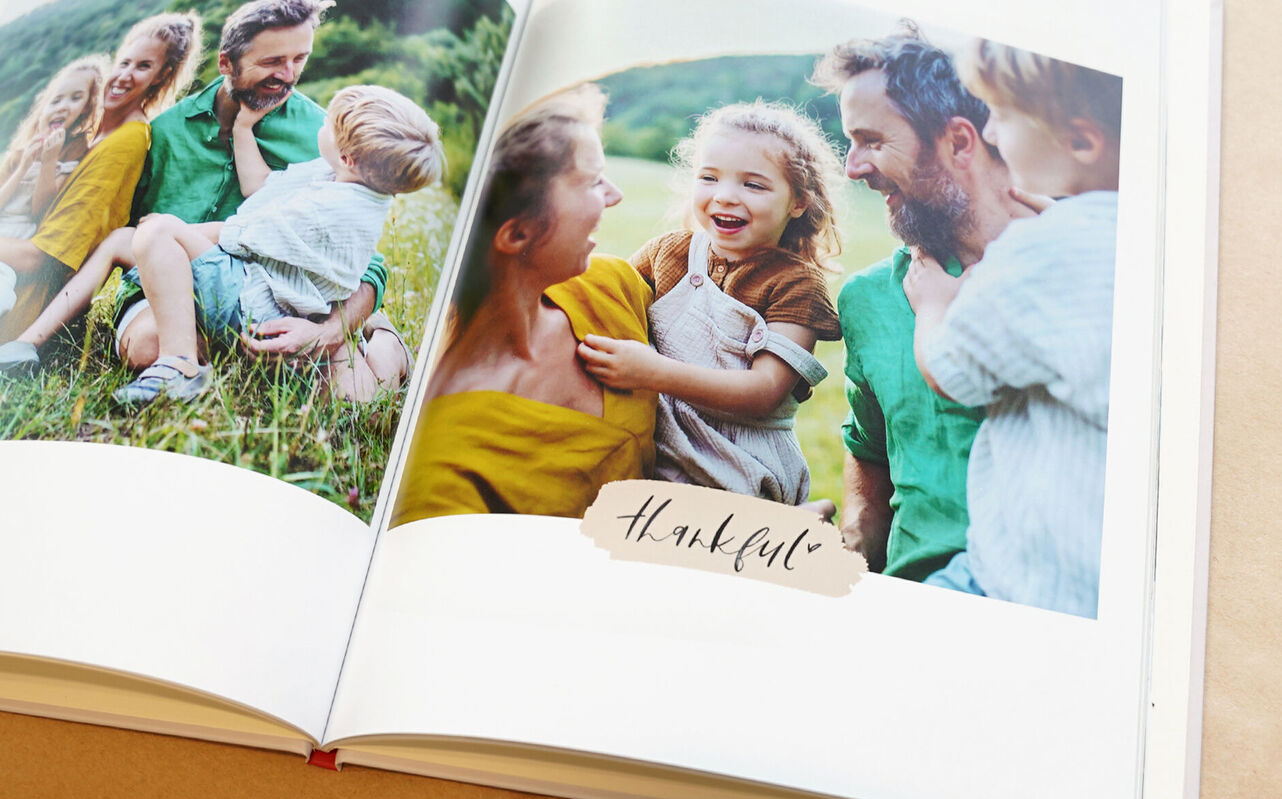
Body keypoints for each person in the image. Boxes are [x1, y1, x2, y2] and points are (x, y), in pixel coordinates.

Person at [0, 0, 406, 399]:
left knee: (352, 392)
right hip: (171, 281)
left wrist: (329, 330)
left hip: (273, 293)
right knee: (148, 345)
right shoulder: (162, 133)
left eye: (299, 59)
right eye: (273, 61)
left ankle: (377, 339)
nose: (288, 76)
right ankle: (188, 360)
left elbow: (366, 258)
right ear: (227, 63)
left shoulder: (324, 136)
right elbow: (100, 228)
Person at [901, 41, 1123, 617]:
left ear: (1080, 140)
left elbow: (951, 371)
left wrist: (934, 304)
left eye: (1000, 114)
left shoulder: (1040, 252)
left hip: (1021, 581)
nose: (993, 132)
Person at [810, 27, 1033, 581]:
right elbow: (871, 447)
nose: (852, 167)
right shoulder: (866, 299)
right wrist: (855, 542)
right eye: (849, 142)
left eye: (871, 140)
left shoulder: (1078, 269)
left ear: (959, 142)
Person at [392, 85, 657, 524]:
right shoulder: (442, 465)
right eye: (593, 181)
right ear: (516, 235)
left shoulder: (610, 287)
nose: (614, 195)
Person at [576, 101, 843, 507]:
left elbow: (764, 391)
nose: (726, 196)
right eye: (709, 177)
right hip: (659, 447)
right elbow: (610, 301)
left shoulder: (798, 285)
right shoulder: (668, 253)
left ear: (798, 202)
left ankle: (793, 527)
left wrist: (653, 372)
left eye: (753, 185)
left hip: (740, 467)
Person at [105, 85, 442, 405]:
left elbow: (241, 238)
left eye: (328, 124)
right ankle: (186, 360)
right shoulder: (342, 180)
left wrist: (179, 233)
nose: (320, 122)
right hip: (284, 304)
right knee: (146, 340)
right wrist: (244, 129)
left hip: (262, 304)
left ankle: (181, 367)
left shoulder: (331, 210)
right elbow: (264, 185)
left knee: (157, 231)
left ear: (348, 158)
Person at [0, 12, 202, 355]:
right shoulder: (87, 131)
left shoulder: (127, 142)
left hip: (18, 297)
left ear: (162, 77)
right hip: (0, 261)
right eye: (124, 61)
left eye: (142, 67)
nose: (124, 75)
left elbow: (43, 260)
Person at [0, 57, 103, 338]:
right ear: (44, 107)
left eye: (75, 98)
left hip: (7, 247)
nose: (62, 106)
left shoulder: (73, 159)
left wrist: (48, 161)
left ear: (87, 109)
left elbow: (40, 210)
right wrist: (22, 167)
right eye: (56, 100)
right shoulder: (19, 153)